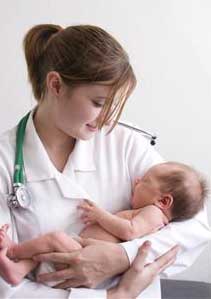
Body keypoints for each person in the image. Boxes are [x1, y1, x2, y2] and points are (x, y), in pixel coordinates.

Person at [0, 23, 210, 299]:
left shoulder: (124, 142)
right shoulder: (4, 160)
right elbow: (7, 289)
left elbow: (195, 225)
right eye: (99, 103)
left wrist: (122, 256)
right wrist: (114, 297)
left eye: (114, 105)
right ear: (55, 85)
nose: (108, 118)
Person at [0, 161, 208, 287]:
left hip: (83, 255)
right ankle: (20, 269)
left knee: (55, 239)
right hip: (81, 250)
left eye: (144, 180)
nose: (136, 181)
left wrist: (100, 215)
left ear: (163, 201)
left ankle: (14, 251)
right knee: (50, 245)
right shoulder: (151, 210)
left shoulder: (154, 214)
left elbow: (130, 231)